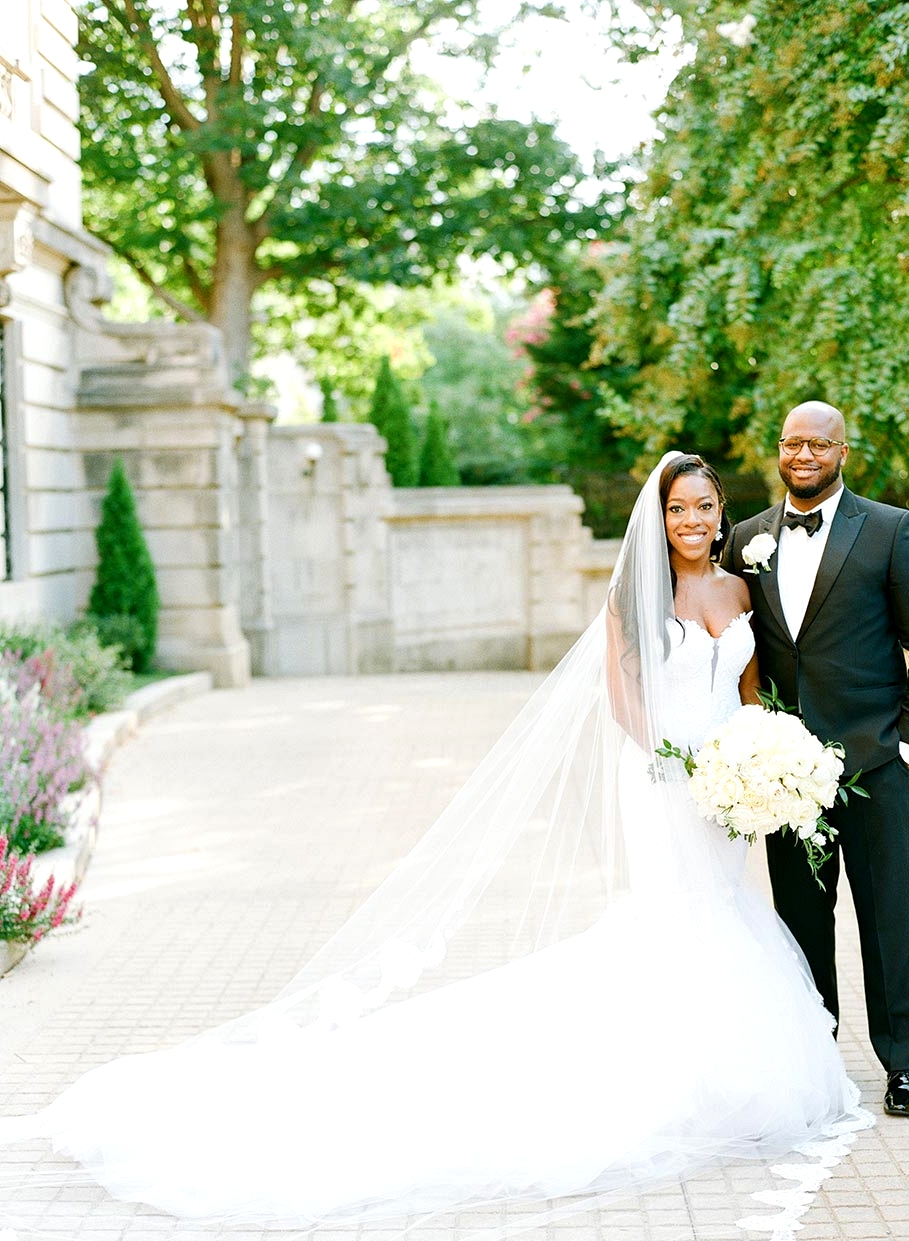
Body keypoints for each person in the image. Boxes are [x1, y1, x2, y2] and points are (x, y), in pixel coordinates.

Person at [0, 452, 870, 1241]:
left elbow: (751, 690)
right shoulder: (630, 599)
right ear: (660, 515)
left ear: (723, 515)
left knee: (724, 917)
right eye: (677, 508)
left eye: (704, 508)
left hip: (725, 791)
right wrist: (682, 770)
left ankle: (714, 1071)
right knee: (679, 923)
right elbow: (623, 702)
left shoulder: (735, 592)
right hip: (662, 784)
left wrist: (755, 764)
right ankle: (681, 1077)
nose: (691, 522)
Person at [725, 400, 909, 1118]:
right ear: (778, 450)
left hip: (874, 762)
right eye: (790, 443)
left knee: (891, 916)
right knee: (801, 919)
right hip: (784, 774)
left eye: (817, 444)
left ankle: (902, 1063)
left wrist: (902, 736)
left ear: (842, 449)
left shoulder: (890, 529)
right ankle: (811, 1059)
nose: (802, 455)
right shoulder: (744, 539)